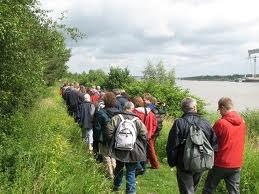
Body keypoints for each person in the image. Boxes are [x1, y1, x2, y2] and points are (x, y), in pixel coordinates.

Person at [166, 97, 217, 194]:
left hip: (183, 163)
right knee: (193, 188)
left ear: (183, 108)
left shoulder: (179, 123)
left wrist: (172, 162)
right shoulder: (205, 122)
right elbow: (213, 143)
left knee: (187, 191)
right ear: (194, 107)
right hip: (201, 161)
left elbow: (172, 145)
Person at [202, 97, 246, 194]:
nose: (220, 113)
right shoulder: (242, 122)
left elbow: (210, 140)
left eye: (219, 110)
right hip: (236, 163)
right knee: (234, 191)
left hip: (220, 162)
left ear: (222, 108)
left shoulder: (221, 123)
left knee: (209, 188)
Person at [106, 102, 147, 194]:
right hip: (133, 149)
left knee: (119, 168)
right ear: (132, 109)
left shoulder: (116, 118)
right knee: (131, 171)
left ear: (124, 108)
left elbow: (108, 131)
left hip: (118, 148)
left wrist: (114, 141)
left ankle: (116, 187)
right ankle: (131, 192)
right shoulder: (137, 120)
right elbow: (144, 134)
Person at [94, 92, 119, 178]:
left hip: (104, 137)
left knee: (106, 156)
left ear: (104, 101)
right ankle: (115, 172)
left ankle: (110, 175)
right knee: (113, 155)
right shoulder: (118, 113)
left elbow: (97, 128)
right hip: (115, 137)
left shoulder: (100, 113)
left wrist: (96, 139)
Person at [132, 96, 159, 170]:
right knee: (147, 149)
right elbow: (155, 124)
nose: (143, 101)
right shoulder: (151, 109)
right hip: (150, 133)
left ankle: (155, 164)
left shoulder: (152, 109)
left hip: (147, 133)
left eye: (145, 100)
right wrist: (151, 132)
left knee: (150, 149)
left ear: (150, 101)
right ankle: (147, 164)